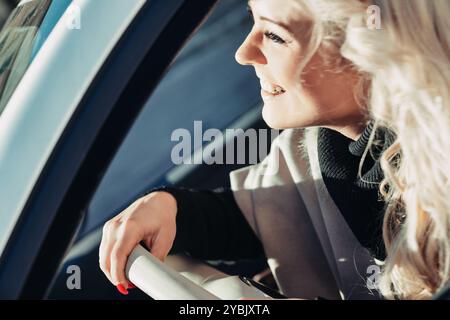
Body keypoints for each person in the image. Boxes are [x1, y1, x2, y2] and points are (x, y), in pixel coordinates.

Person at [99, 0, 450, 300]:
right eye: (252, 19)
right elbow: (270, 219)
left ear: (372, 50)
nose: (243, 53)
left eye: (274, 35)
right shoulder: (312, 151)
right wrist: (171, 209)